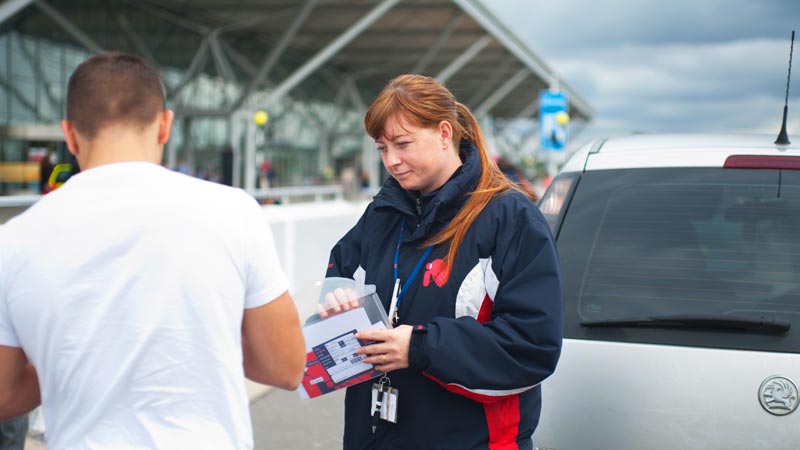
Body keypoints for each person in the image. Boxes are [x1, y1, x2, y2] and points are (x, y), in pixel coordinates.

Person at [0, 52, 305, 449]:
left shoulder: (14, 240)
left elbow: (5, 396)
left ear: (69, 134)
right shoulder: (234, 212)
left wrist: (78, 353)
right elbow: (286, 365)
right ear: (165, 126)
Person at [324, 74, 563, 449]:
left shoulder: (510, 217)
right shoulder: (383, 213)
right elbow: (340, 267)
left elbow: (532, 346)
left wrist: (419, 348)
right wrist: (336, 296)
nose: (392, 161)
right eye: (382, 148)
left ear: (444, 133)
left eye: (402, 144)